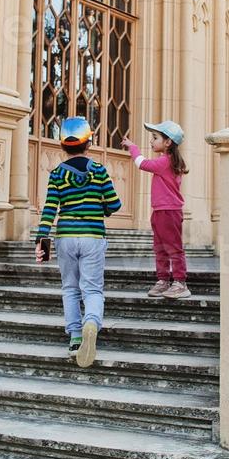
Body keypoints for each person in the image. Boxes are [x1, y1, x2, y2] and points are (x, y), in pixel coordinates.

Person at [35, 116, 121, 368]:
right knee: (92, 289)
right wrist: (101, 208)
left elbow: (50, 208)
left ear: (62, 146)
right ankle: (91, 323)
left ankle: (74, 336)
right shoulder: (99, 170)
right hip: (93, 236)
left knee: (70, 288)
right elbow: (115, 204)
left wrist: (42, 238)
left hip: (66, 236)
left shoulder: (57, 173)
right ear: (89, 143)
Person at [125, 120, 190, 300]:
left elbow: (142, 164)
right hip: (160, 211)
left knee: (173, 248)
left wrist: (133, 147)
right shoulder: (167, 161)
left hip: (169, 212)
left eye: (155, 138)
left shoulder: (164, 162)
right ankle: (163, 280)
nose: (151, 141)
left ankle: (180, 282)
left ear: (168, 142)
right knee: (160, 247)